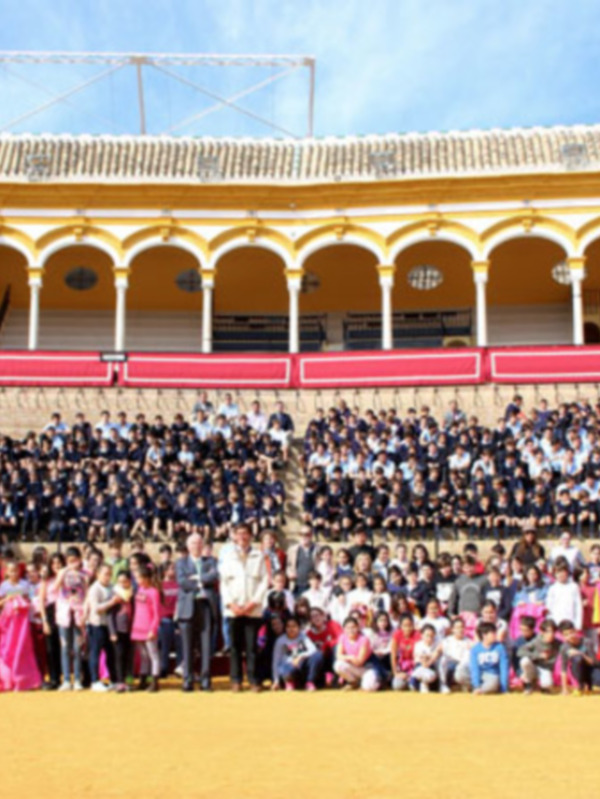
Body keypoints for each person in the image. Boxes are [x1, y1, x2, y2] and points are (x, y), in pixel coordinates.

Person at [220, 523, 269, 692]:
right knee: (234, 647)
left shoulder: (259, 556)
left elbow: (264, 581)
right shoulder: (228, 556)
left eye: (245, 533)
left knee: (251, 647)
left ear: (250, 536)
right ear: (234, 536)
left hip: (252, 609)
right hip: (233, 610)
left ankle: (254, 680)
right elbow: (224, 583)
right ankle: (236, 680)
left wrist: (253, 603)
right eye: (239, 533)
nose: (242, 537)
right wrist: (231, 604)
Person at [175, 532, 218, 692]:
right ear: (188, 546)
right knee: (187, 646)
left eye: (199, 543)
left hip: (205, 606)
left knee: (206, 646)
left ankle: (206, 681)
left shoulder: (211, 561)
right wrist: (201, 582)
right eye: (193, 543)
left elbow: (214, 576)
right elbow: (182, 582)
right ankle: (187, 680)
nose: (196, 546)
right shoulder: (181, 562)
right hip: (187, 607)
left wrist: (197, 579)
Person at [0, 560, 41, 691]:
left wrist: (23, 600)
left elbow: (29, 599)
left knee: (22, 648)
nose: (14, 573)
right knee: (8, 648)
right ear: (7, 572)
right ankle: (8, 678)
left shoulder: (24, 584)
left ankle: (23, 678)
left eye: (16, 570)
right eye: (11, 571)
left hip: (22, 623)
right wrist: (7, 600)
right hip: (9, 622)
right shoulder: (4, 586)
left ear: (19, 571)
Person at [54, 545, 88, 691]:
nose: (72, 563)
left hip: (78, 613)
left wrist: (85, 613)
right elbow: (55, 587)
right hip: (64, 613)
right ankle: (67, 679)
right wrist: (64, 571)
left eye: (75, 560)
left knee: (77, 648)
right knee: (65, 647)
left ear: (80, 559)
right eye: (69, 560)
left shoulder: (84, 574)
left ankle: (78, 679)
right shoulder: (62, 572)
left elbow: (87, 594)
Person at [84, 563, 116, 692]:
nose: (107, 577)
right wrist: (112, 602)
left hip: (109, 625)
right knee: (95, 653)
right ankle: (94, 680)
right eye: (105, 574)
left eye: (109, 574)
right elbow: (96, 608)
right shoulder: (94, 589)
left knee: (111, 654)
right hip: (96, 624)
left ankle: (113, 680)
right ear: (98, 574)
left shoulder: (112, 587)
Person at [271, 616, 324, 691]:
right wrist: (276, 681)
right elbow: (276, 661)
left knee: (318, 655)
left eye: (294, 626)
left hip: (301, 665)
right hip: (288, 666)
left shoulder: (303, 636)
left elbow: (313, 650)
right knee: (286, 669)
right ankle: (289, 682)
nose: (291, 629)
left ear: (299, 628)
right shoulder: (280, 641)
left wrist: (300, 657)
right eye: (288, 626)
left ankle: (309, 682)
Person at [130, 564, 161, 692]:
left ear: (146, 578)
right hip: (138, 626)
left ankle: (155, 681)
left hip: (148, 627)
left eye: (139, 578)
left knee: (153, 655)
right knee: (143, 655)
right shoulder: (139, 590)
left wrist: (153, 629)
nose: (137, 580)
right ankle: (143, 680)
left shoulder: (153, 592)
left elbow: (157, 613)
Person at [108, 569, 134, 693]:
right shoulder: (114, 594)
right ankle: (119, 682)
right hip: (118, 629)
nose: (122, 584)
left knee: (128, 656)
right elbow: (110, 615)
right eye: (120, 581)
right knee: (119, 656)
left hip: (131, 629)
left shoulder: (133, 593)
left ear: (129, 581)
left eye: (125, 581)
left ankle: (127, 681)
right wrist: (112, 632)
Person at [517, 618, 560, 694]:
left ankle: (540, 686)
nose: (551, 634)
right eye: (548, 632)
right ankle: (529, 683)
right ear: (542, 632)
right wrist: (538, 655)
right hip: (534, 667)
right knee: (525, 661)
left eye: (553, 631)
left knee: (547, 684)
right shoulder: (537, 641)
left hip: (545, 669)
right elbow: (520, 651)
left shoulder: (558, 643)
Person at [333, 616, 373, 690]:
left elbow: (360, 662)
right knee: (338, 665)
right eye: (348, 628)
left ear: (358, 627)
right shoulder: (343, 637)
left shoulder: (364, 639)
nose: (351, 630)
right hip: (353, 666)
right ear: (344, 629)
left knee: (369, 687)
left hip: (365, 669)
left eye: (353, 627)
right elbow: (338, 655)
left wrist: (347, 658)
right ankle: (353, 682)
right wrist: (350, 657)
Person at [469, 622, 509, 694]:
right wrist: (476, 684)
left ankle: (481, 690)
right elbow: (475, 668)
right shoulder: (475, 649)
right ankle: (476, 687)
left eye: (495, 633)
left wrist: (504, 687)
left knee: (494, 681)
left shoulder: (500, 648)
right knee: (461, 673)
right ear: (484, 635)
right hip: (480, 674)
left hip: (493, 675)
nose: (495, 635)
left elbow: (504, 668)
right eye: (492, 633)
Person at [559, 621, 595, 695]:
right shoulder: (564, 648)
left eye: (571, 632)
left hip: (591, 670)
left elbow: (592, 662)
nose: (570, 636)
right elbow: (563, 669)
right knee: (577, 659)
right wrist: (564, 689)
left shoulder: (587, 642)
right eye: (566, 634)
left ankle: (589, 684)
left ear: (575, 631)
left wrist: (580, 653)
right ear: (563, 636)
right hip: (578, 669)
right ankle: (580, 685)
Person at [545, 561, 582, 629]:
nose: (560, 575)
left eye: (563, 572)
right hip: (556, 622)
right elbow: (549, 607)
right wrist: (550, 623)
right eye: (558, 572)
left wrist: (578, 624)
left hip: (571, 622)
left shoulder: (573, 587)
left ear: (567, 573)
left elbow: (578, 606)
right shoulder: (552, 588)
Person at [439, 617, 472, 693]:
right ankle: (444, 685)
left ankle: (465, 685)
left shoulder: (469, 641)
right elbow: (446, 656)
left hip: (463, 667)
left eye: (462, 627)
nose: (460, 629)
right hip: (451, 666)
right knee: (443, 660)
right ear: (452, 629)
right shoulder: (447, 641)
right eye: (457, 627)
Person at [390, 613, 421, 691]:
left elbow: (418, 655)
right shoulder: (397, 634)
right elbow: (393, 655)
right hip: (402, 666)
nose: (407, 628)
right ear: (400, 626)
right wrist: (396, 673)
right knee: (397, 686)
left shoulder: (417, 635)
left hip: (415, 666)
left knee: (414, 686)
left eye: (410, 625)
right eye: (405, 625)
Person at [411, 624, 441, 693]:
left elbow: (436, 655)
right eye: (427, 635)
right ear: (422, 635)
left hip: (432, 668)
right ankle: (422, 683)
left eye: (431, 636)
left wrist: (429, 661)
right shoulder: (418, 645)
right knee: (414, 681)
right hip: (420, 666)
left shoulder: (437, 644)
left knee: (432, 679)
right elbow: (418, 659)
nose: (429, 638)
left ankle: (425, 683)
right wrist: (425, 661)